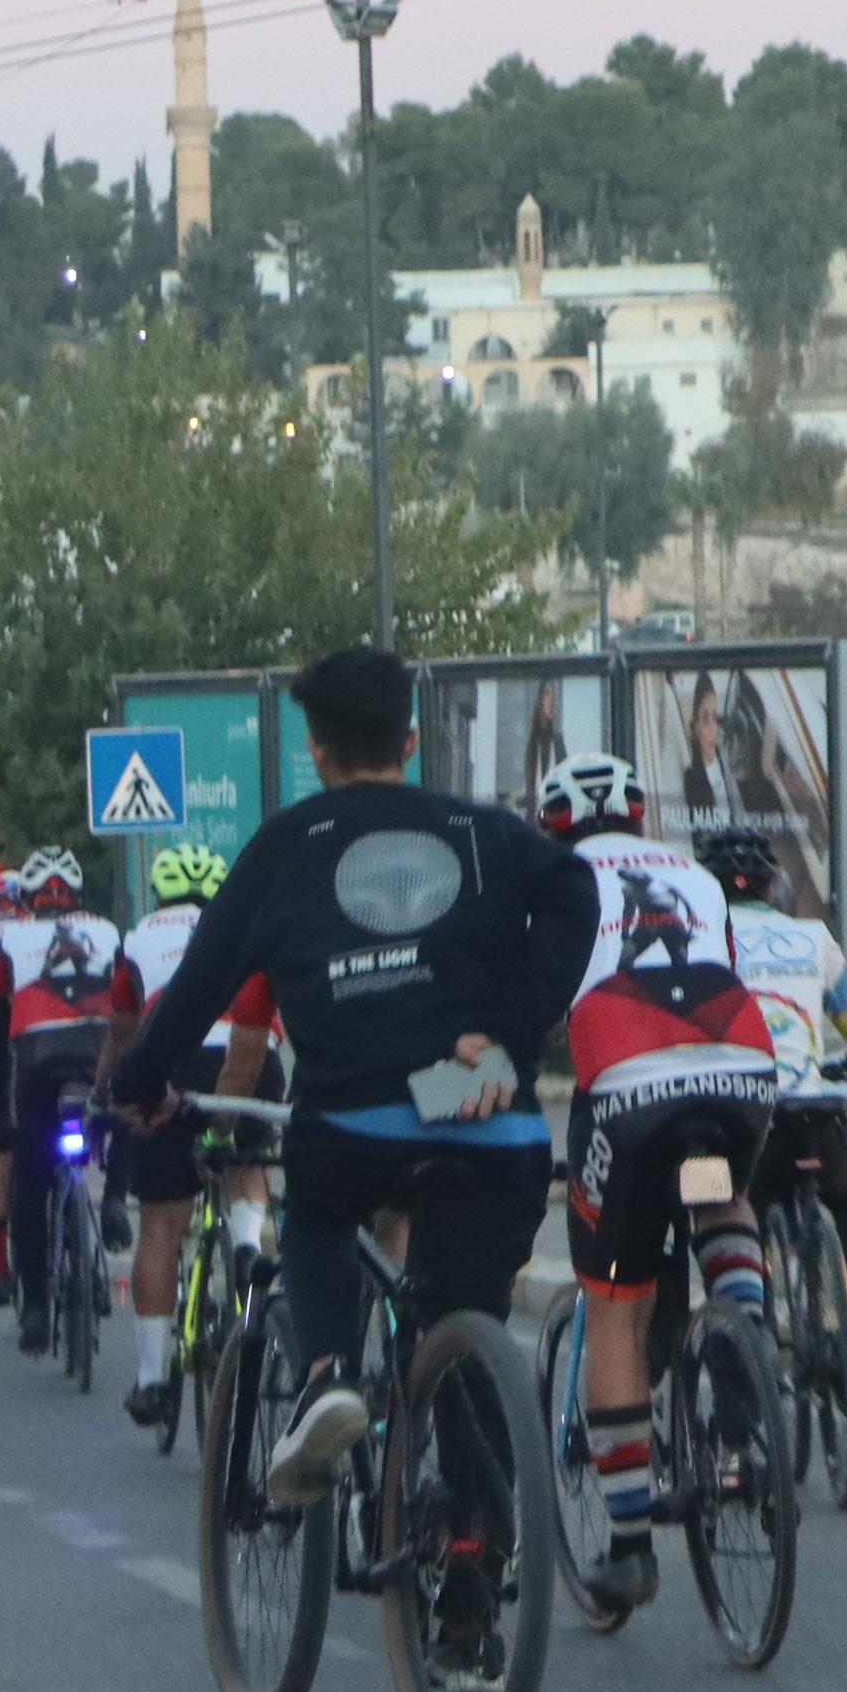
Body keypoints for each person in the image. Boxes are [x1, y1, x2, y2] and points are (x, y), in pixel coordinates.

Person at [117, 645, 600, 1513]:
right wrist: (508, 1041)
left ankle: (329, 1374)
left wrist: (141, 1083)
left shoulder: (284, 847)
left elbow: (198, 987)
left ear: (317, 749)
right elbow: (575, 888)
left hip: (355, 1122)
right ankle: (472, 1577)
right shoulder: (481, 832)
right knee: (467, 1325)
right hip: (487, 1114)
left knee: (317, 1212)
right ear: (411, 739)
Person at [538, 750, 784, 1616]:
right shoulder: (697, 876)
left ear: (553, 823)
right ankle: (743, 1332)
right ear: (639, 816)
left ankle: (631, 1542)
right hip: (739, 1061)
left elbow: (524, 1012)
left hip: (630, 1077)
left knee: (615, 1297)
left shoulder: (551, 878)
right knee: (721, 1188)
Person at [706, 823, 847, 1338]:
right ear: (773, 887)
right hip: (808, 1113)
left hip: (737, 1120)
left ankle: (743, 1330)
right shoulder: (812, 937)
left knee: (714, 1205)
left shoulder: (698, 941)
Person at [100, 840, 260, 1432]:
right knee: (247, 1161)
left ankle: (151, 1379)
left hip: (170, 1059)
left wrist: (107, 1090)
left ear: (161, 894)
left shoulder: (138, 939)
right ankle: (246, 1242)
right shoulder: (244, 921)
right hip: (245, 1050)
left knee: (163, 1222)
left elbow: (122, 1031)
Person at [0, 847, 124, 1352]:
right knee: (129, 1121)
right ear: (77, 895)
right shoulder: (112, 933)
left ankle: (33, 1307)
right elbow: (129, 998)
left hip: (36, 1058)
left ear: (27, 899)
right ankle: (115, 1198)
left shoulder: (8, 939)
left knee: (29, 1179)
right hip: (100, 1052)